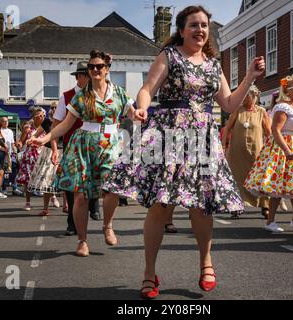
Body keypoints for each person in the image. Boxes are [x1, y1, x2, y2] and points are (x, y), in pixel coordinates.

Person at [103, 5, 265, 299]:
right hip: (169, 136)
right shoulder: (170, 55)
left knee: (201, 205)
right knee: (161, 207)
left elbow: (229, 104)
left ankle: (206, 262)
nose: (200, 30)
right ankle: (149, 272)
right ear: (181, 30)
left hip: (202, 138)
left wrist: (250, 77)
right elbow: (147, 89)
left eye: (204, 25)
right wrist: (140, 107)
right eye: (194, 25)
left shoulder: (214, 64)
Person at [34, 49, 135, 256]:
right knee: (80, 196)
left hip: (111, 144)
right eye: (91, 67)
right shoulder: (82, 96)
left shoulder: (119, 92)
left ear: (107, 69)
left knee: (112, 189)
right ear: (88, 71)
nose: (95, 69)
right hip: (83, 145)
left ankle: (107, 226)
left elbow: (134, 114)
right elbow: (64, 125)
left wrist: (142, 116)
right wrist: (43, 138)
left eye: (99, 66)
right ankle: (82, 240)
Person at [244, 74, 293, 233]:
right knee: (279, 185)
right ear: (287, 90)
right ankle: (270, 221)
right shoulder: (282, 107)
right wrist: (287, 150)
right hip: (284, 147)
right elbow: (276, 131)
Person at [51, 61, 91, 236]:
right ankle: (72, 223)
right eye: (88, 75)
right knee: (70, 184)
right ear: (80, 77)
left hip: (91, 145)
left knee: (93, 181)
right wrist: (54, 148)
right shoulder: (66, 97)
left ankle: (93, 204)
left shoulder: (96, 95)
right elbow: (56, 123)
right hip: (71, 146)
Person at [224, 85, 271, 219]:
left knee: (260, 177)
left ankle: (264, 205)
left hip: (257, 152)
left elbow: (268, 132)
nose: (244, 99)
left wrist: (272, 147)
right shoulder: (238, 110)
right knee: (237, 178)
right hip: (237, 153)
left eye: (247, 96)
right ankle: (236, 206)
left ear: (254, 96)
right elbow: (227, 129)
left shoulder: (261, 111)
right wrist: (222, 146)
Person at [27, 102, 62, 216]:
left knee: (65, 179)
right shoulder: (47, 122)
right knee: (47, 181)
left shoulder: (65, 120)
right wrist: (31, 139)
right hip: (48, 153)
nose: (54, 109)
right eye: (52, 107)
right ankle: (45, 208)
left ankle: (66, 206)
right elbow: (36, 133)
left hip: (63, 151)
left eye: (56, 107)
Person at [16, 107, 45, 211]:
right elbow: (20, 142)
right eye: (39, 116)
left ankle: (52, 197)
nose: (41, 118)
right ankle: (28, 202)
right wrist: (19, 144)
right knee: (28, 180)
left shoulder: (46, 127)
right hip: (30, 157)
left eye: (43, 116)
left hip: (43, 156)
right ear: (34, 117)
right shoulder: (28, 128)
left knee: (45, 178)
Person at [0, 117, 23, 196]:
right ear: (1, 122)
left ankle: (15, 188)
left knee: (15, 170)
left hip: (11, 154)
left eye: (6, 121)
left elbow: (12, 143)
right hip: (3, 153)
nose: (5, 122)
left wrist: (15, 150)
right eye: (3, 121)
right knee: (4, 171)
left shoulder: (10, 131)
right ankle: (3, 189)